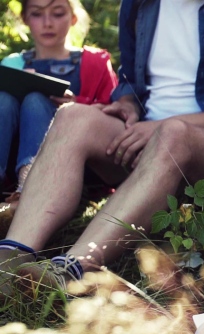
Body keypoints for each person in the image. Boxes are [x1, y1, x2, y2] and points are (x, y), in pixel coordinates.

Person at [0, 0, 204, 296]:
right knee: (74, 117)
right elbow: (129, 80)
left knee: (173, 134)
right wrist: (127, 104)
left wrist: (163, 126)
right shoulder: (138, 4)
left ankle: (71, 270)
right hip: (144, 133)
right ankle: (11, 255)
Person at [0, 0, 117, 212]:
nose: (47, 23)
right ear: (25, 19)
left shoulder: (95, 62)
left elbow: (117, 115)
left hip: (77, 164)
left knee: (36, 100)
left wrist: (77, 105)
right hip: (12, 164)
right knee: (5, 101)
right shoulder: (12, 64)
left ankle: (28, 189)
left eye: (57, 13)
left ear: (73, 18)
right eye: (37, 14)